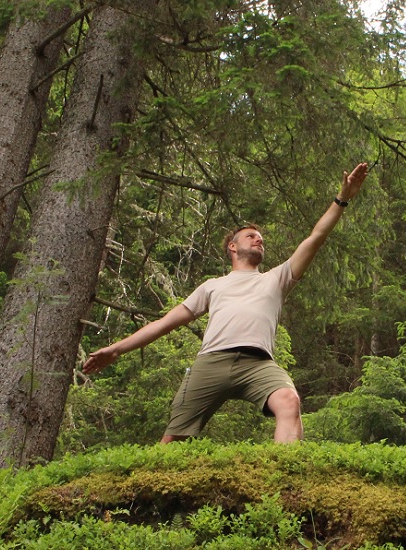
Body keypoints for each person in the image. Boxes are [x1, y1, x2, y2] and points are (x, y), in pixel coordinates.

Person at [81, 162, 369, 443]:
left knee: (289, 401)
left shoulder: (277, 278)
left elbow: (315, 238)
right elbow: (164, 324)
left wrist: (342, 198)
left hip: (258, 363)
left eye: (261, 239)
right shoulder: (212, 286)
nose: (259, 240)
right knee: (174, 438)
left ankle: (285, 478)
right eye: (251, 236)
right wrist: (117, 350)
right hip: (211, 362)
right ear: (233, 246)